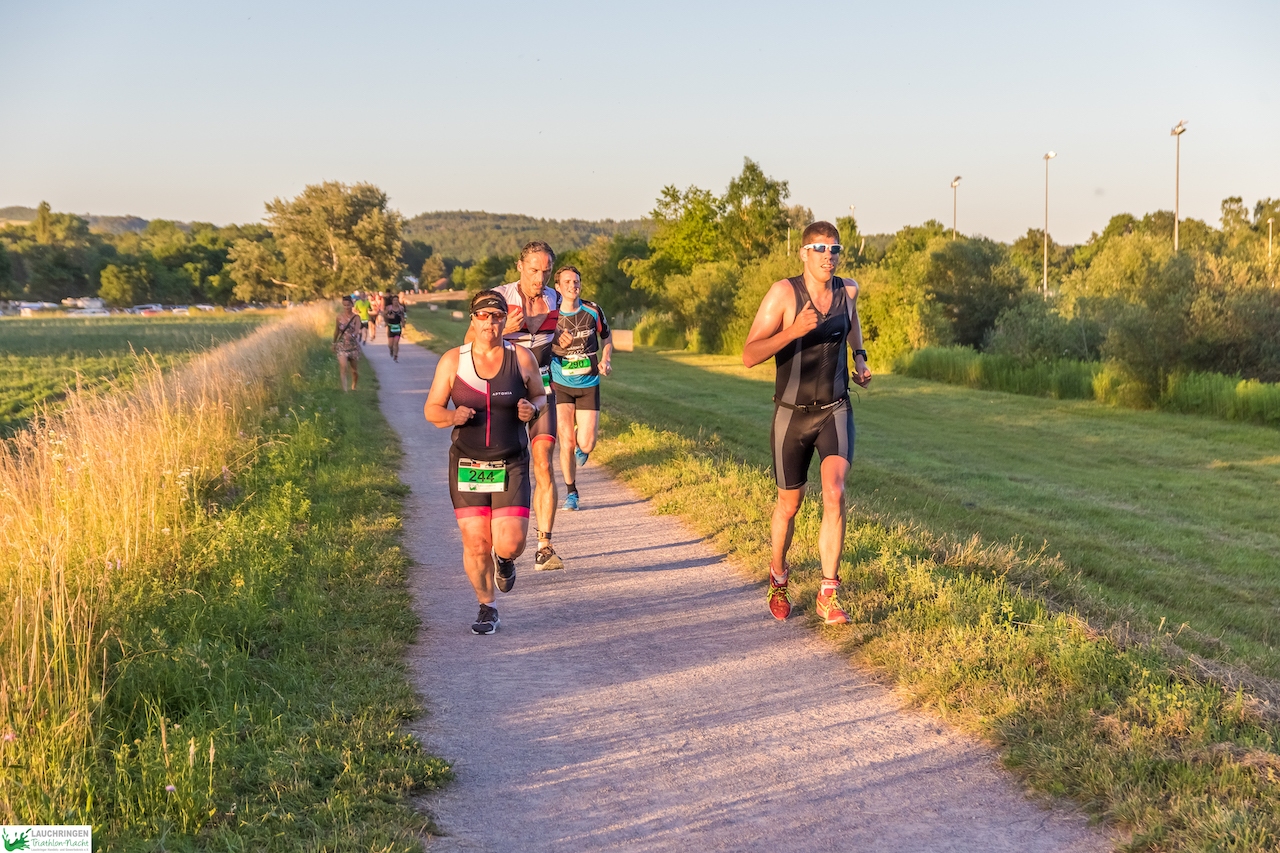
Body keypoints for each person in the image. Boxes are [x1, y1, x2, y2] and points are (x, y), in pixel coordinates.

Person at [741, 221, 872, 624]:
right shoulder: (784, 294)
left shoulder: (848, 291)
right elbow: (749, 355)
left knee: (834, 491)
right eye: (820, 249)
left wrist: (860, 357)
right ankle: (778, 577)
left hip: (835, 408)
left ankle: (828, 593)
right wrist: (793, 330)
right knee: (789, 504)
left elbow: (851, 322)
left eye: (835, 249)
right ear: (803, 253)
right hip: (791, 415)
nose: (828, 256)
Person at [424, 290, 547, 634]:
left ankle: (505, 560)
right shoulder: (453, 361)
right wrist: (453, 417)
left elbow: (540, 395)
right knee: (476, 542)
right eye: (483, 316)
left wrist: (533, 409)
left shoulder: (520, 358)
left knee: (511, 542)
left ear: (505, 320)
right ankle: (487, 607)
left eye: (497, 316)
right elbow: (432, 409)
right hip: (468, 463)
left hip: (511, 462)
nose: (490, 323)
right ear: (472, 319)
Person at [473, 241, 565, 571]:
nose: (540, 278)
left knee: (543, 462)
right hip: (505, 392)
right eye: (534, 270)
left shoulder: (556, 299)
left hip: (542, 391)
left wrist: (563, 342)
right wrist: (502, 330)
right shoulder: (499, 298)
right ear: (519, 266)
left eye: (546, 271)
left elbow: (563, 336)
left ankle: (545, 546)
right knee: (499, 468)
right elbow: (468, 343)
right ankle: (500, 546)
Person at [549, 265, 612, 510]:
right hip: (561, 383)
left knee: (586, 444)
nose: (572, 285)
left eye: (575, 281)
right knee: (566, 442)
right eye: (566, 282)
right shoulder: (551, 315)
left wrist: (606, 359)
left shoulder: (593, 310)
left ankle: (581, 443)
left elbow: (606, 337)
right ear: (557, 287)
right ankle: (571, 493)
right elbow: (540, 343)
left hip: (589, 383)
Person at [333, 295, 362, 391]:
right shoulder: (339, 317)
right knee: (343, 367)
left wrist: (354, 334)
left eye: (348, 305)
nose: (346, 307)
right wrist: (334, 343)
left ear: (352, 305)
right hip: (342, 345)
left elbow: (357, 330)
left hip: (353, 346)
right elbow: (336, 331)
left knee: (354, 371)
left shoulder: (356, 317)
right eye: (344, 305)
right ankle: (345, 390)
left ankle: (354, 386)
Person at [382, 292, 407, 361]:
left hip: (398, 327)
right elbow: (384, 314)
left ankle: (396, 355)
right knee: (390, 344)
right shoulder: (389, 308)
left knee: (396, 343)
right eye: (394, 300)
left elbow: (403, 317)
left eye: (396, 300)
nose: (395, 302)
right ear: (392, 301)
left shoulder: (401, 308)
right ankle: (391, 350)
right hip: (391, 327)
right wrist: (389, 317)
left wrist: (403, 325)